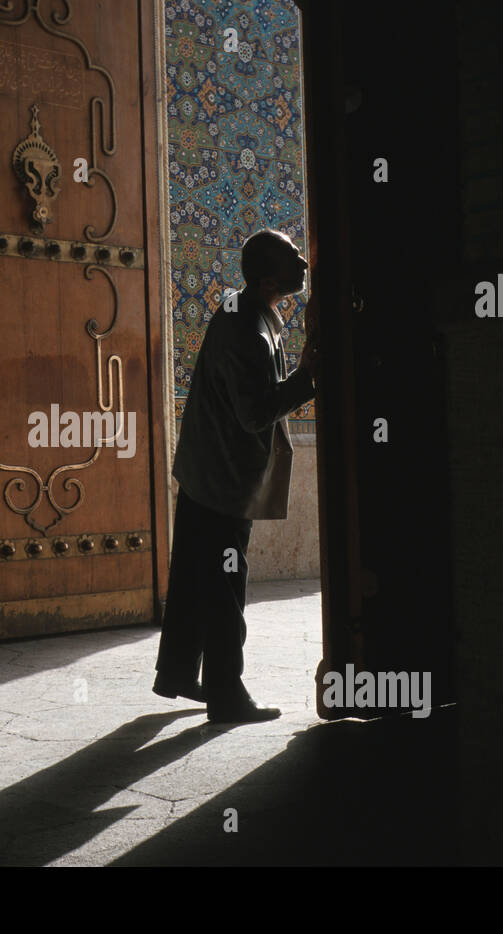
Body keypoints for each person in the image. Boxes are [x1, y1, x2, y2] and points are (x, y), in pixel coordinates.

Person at [153, 228, 318, 723]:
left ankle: (179, 673)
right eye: (294, 257)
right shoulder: (246, 329)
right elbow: (254, 413)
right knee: (225, 581)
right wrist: (309, 378)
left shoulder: (242, 307)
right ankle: (226, 694)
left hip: (208, 469)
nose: (305, 262)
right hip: (222, 478)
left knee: (194, 576)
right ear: (270, 277)